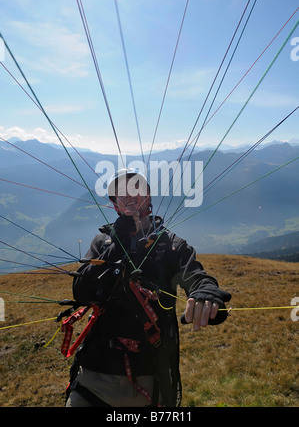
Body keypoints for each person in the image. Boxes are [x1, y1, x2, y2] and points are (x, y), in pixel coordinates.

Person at [65, 168, 231, 407]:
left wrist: (206, 292)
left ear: (148, 196)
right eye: (122, 193)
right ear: (115, 204)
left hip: (150, 378)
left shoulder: (171, 245)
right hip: (94, 375)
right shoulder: (102, 242)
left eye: (137, 189)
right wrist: (117, 245)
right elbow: (81, 291)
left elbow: (195, 275)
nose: (130, 196)